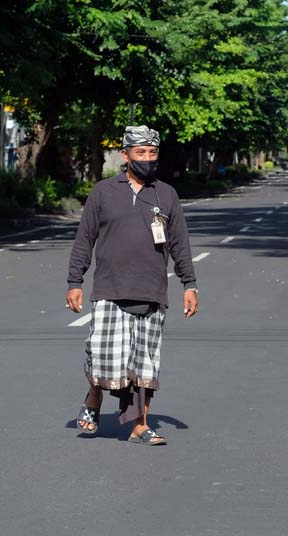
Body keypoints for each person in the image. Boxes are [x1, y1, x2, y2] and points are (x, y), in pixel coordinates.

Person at [66, 125, 199, 446]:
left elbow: (179, 242)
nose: (147, 159)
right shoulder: (103, 192)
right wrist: (75, 280)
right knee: (103, 356)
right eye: (140, 153)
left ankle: (140, 425)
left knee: (145, 363)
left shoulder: (165, 195)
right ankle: (94, 397)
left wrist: (189, 283)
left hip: (152, 290)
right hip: (110, 288)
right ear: (125, 155)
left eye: (153, 153)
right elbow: (85, 238)